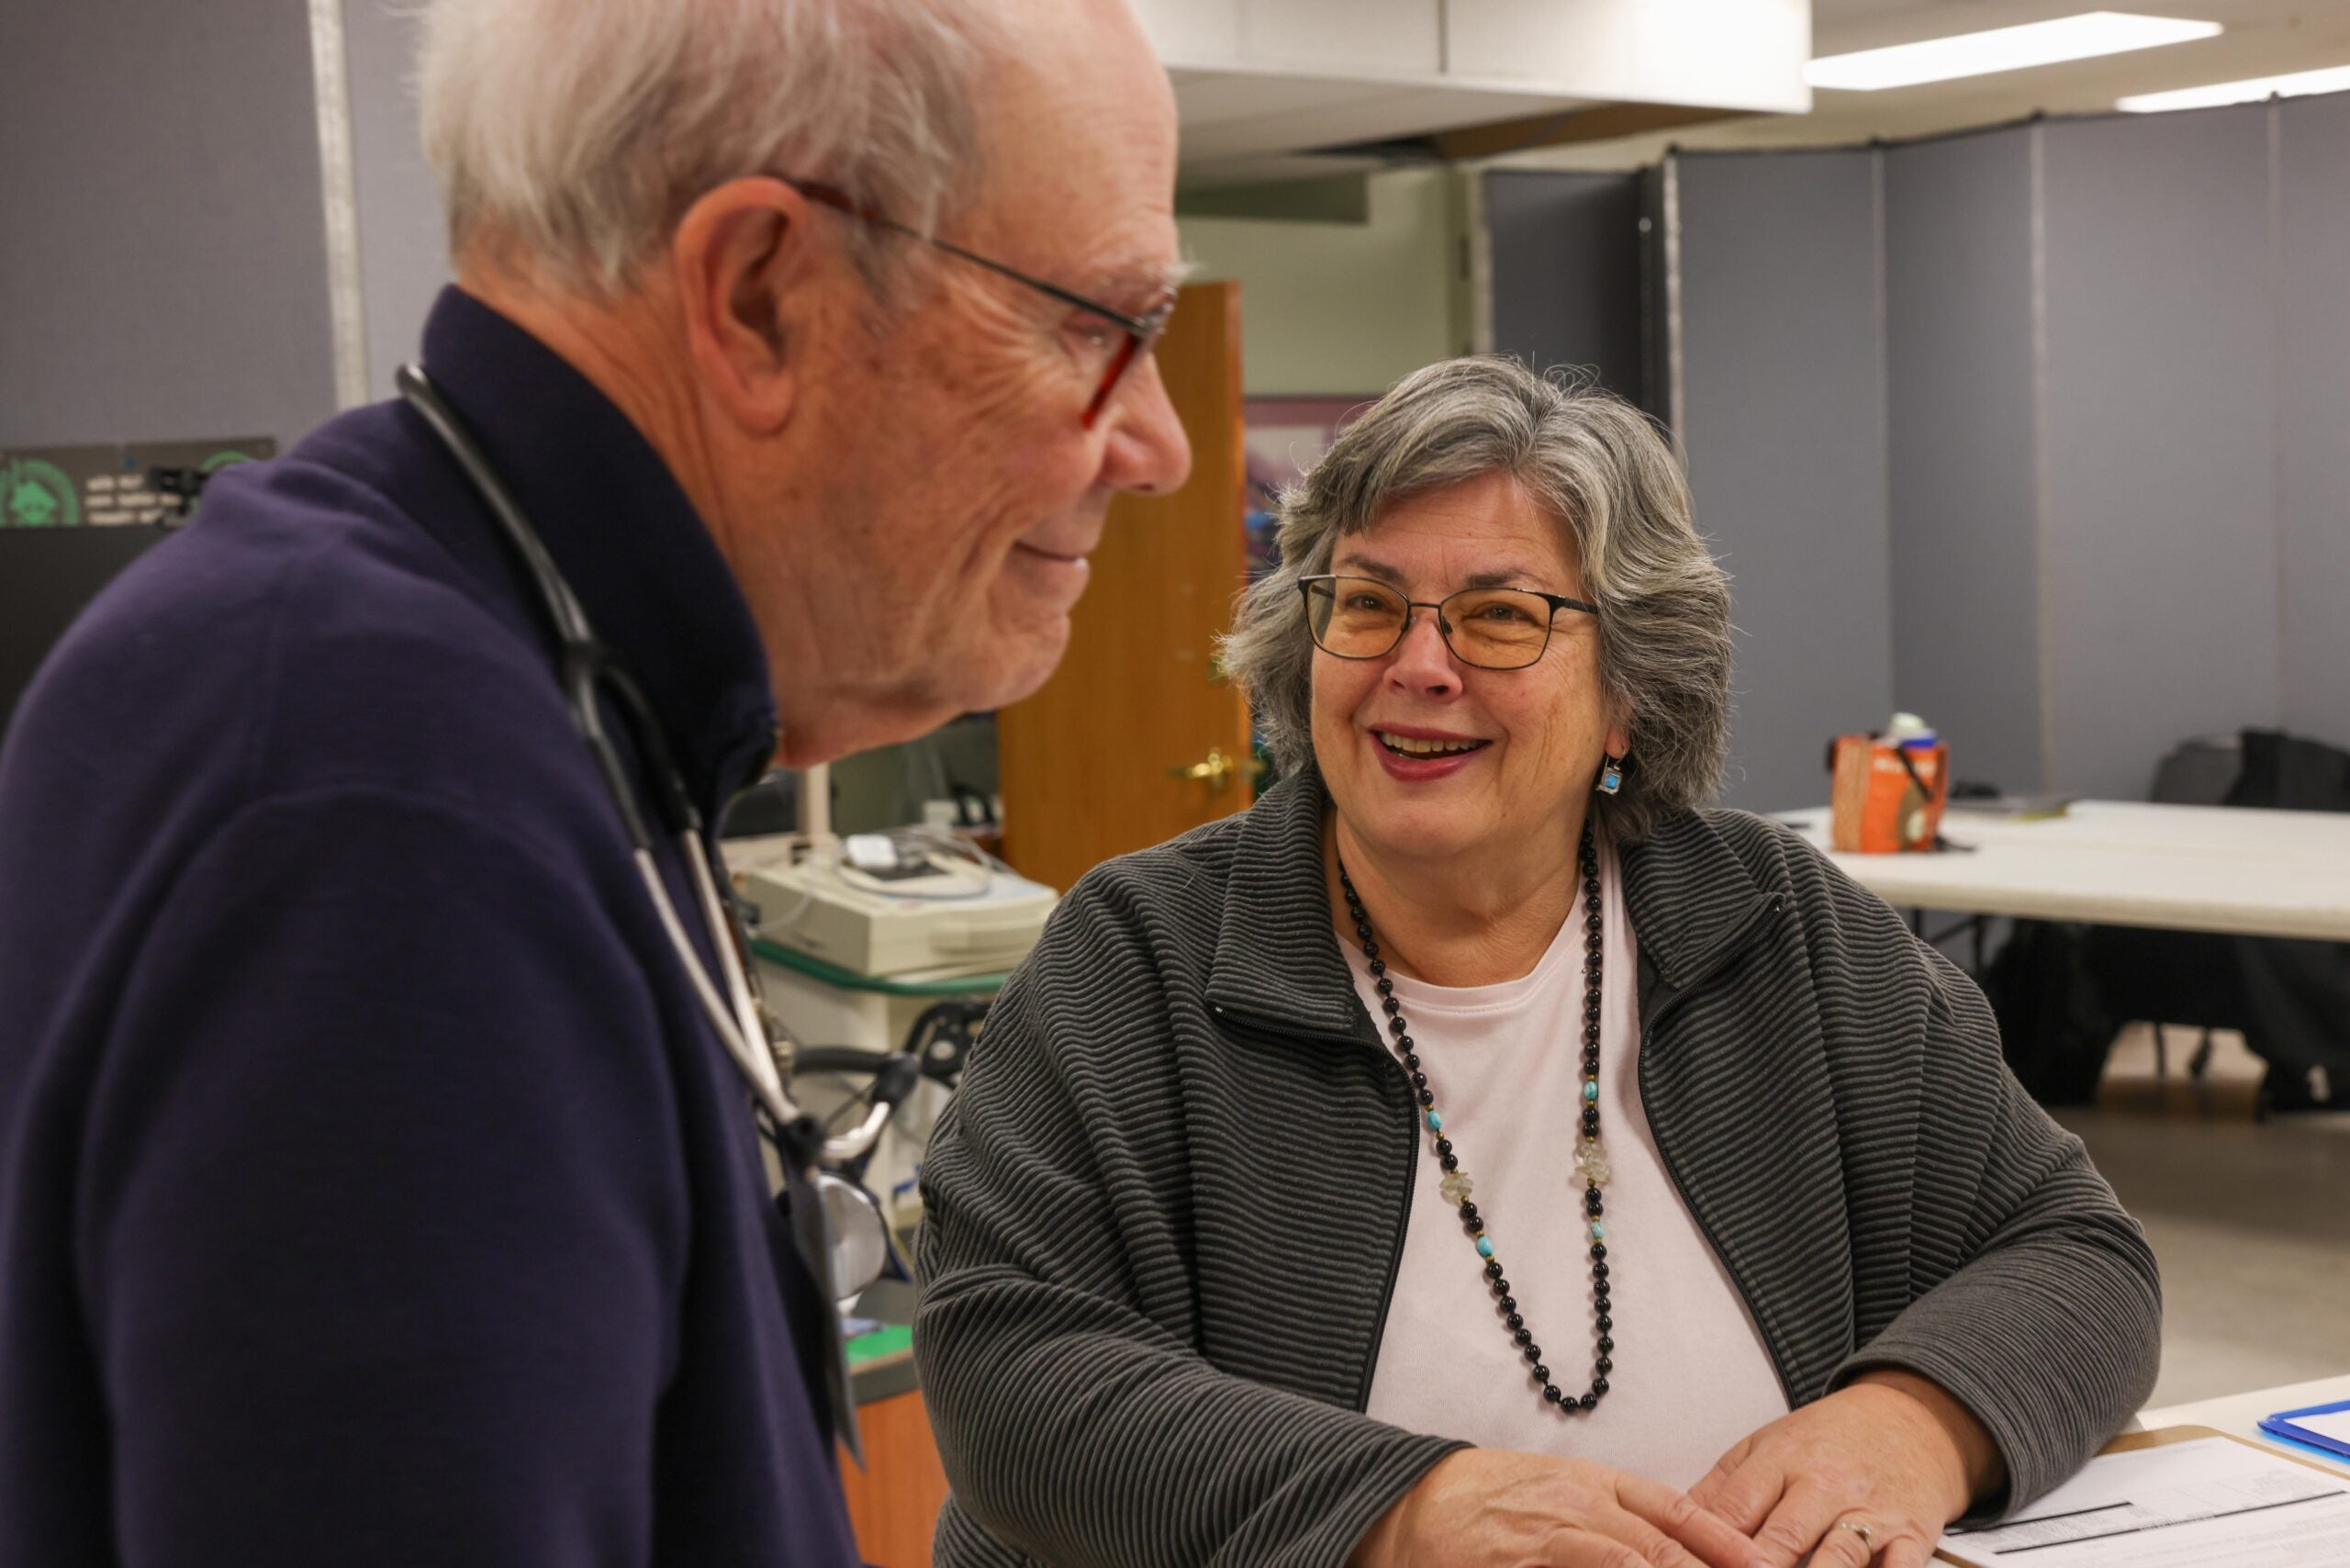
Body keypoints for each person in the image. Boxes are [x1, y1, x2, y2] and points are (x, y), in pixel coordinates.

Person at [0, 0, 1189, 1562]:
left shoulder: (481, 671)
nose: (1158, 444)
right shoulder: (387, 818)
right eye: (1094, 327)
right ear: (760, 294)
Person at [913, 358, 2160, 1568]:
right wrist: (1396, 1514)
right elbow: (1008, 1367)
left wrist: (1914, 1420)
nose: (1418, 664)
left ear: (1628, 695)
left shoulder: (1782, 930)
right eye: (1367, 603)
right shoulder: (1136, 959)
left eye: (1501, 616)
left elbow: (2073, 1252)